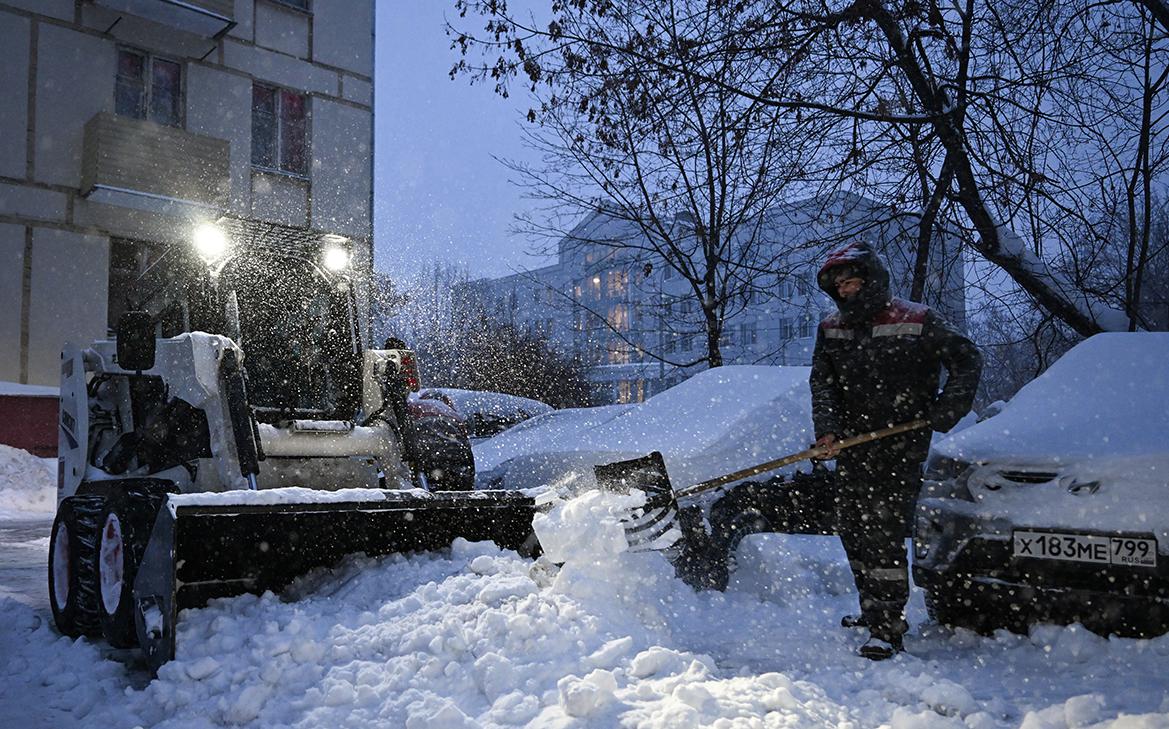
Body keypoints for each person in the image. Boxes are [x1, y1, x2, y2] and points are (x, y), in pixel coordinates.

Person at [811, 241, 982, 661]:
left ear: (872, 279)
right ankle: (872, 610)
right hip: (853, 445)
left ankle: (888, 627)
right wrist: (828, 432)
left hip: (900, 443)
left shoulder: (917, 319)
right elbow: (823, 383)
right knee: (852, 528)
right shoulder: (832, 326)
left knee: (882, 533)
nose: (847, 291)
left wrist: (948, 407)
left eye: (853, 281)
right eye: (840, 286)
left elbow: (967, 358)